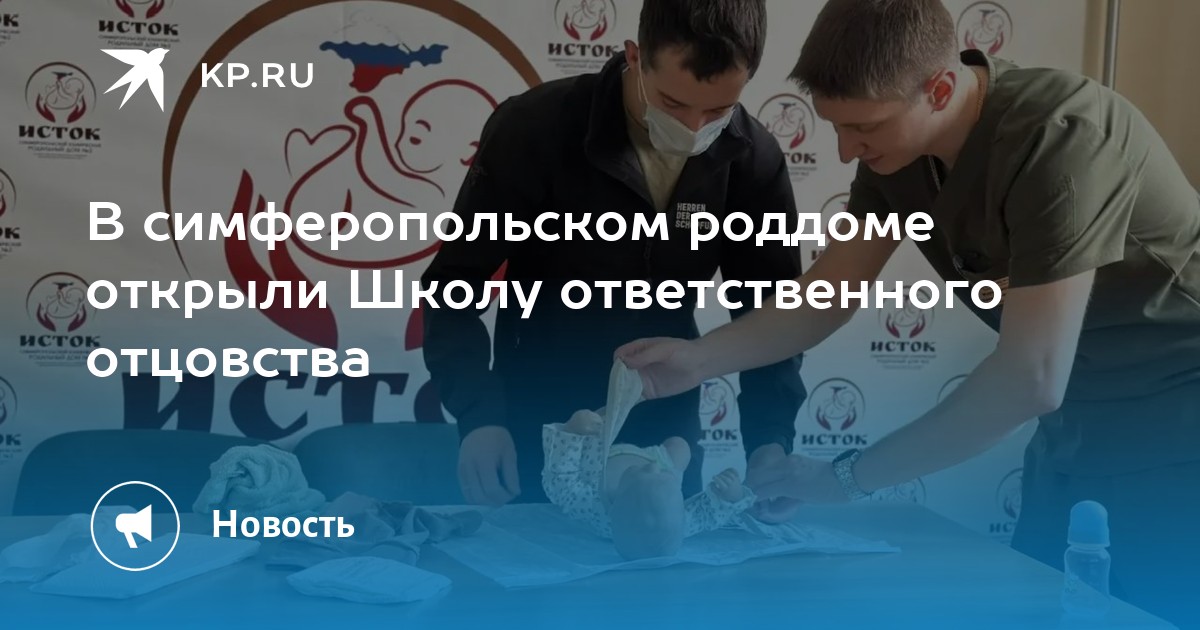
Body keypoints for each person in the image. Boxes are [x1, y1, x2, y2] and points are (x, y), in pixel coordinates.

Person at [617, 0, 1200, 625]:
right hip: (1074, 426)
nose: (846, 151)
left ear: (939, 90)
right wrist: (699, 359)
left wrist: (843, 478)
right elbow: (826, 296)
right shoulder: (897, 158)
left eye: (863, 128)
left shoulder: (1063, 137)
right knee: (1040, 610)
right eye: (834, 127)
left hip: (1177, 426)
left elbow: (1030, 378)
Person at [421, 0, 806, 516]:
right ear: (634, 56)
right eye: (673, 104)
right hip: (535, 417)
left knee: (661, 561)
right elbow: (452, 287)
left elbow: (772, 315)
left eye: (717, 111)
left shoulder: (752, 158)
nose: (693, 129)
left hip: (665, 428)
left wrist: (770, 444)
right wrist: (479, 415)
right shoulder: (535, 127)